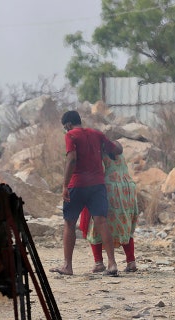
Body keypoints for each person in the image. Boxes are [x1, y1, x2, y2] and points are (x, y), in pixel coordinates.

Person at [50, 110, 123, 276]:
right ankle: (112, 264)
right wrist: (119, 144)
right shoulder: (97, 134)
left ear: (68, 124)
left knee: (69, 223)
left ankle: (67, 266)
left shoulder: (71, 136)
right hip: (97, 184)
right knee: (101, 222)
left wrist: (65, 185)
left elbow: (72, 159)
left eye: (65, 127)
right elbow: (116, 149)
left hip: (77, 184)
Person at [79, 146, 139, 273]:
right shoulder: (117, 150)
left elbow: (97, 173)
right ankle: (131, 261)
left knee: (95, 226)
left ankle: (99, 262)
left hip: (109, 190)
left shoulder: (99, 153)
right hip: (127, 189)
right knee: (125, 226)